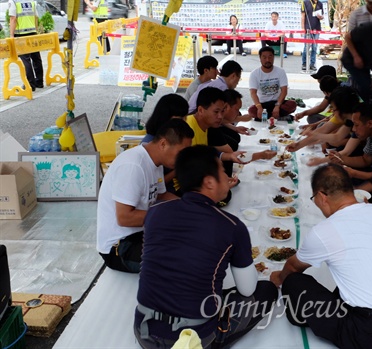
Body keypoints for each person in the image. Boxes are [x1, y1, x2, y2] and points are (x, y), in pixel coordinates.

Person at [135, 145, 278, 348]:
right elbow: (247, 289)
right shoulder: (231, 226)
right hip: (194, 339)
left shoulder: (155, 213)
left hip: (144, 330)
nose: (226, 175)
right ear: (209, 182)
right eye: (222, 170)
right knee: (266, 290)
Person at [270, 164, 372, 348]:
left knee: (294, 282)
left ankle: (307, 318)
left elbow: (294, 267)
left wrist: (278, 278)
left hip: (365, 333)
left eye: (314, 199)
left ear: (321, 196)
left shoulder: (325, 231)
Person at [96, 118, 194, 273]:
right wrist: (172, 215)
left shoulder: (155, 162)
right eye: (181, 153)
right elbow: (124, 218)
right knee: (185, 257)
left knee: (194, 238)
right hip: (119, 247)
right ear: (163, 144)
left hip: (140, 234)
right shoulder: (133, 166)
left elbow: (161, 195)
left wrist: (190, 208)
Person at [141, 94, 190, 194]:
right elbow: (154, 186)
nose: (184, 123)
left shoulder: (171, 138)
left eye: (185, 119)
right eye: (180, 119)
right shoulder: (149, 146)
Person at [333, 103, 372, 182]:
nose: (353, 129)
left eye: (356, 125)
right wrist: (341, 159)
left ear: (370, 123)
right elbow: (365, 160)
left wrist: (355, 173)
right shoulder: (371, 136)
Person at [248, 46, 297, 121]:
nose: (267, 60)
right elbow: (253, 93)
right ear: (260, 58)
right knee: (251, 111)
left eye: (270, 57)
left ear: (274, 57)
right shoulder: (254, 74)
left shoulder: (280, 71)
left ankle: (267, 117)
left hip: (278, 102)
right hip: (262, 104)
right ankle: (278, 117)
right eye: (264, 57)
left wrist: (277, 105)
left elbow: (284, 91)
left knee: (292, 104)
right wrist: (259, 107)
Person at [9, 0, 44, 91]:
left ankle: (30, 84)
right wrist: (36, 30)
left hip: (21, 34)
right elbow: (36, 17)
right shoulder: (31, 1)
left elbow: (13, 18)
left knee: (25, 60)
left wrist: (11, 35)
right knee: (36, 57)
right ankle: (39, 82)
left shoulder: (13, 1)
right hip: (32, 32)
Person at [301, 0, 324, 71]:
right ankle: (304, 63)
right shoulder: (305, 2)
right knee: (306, 47)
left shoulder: (320, 3)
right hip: (308, 28)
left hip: (317, 28)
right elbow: (303, 16)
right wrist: (302, 28)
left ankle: (312, 64)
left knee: (314, 47)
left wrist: (320, 17)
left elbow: (322, 17)